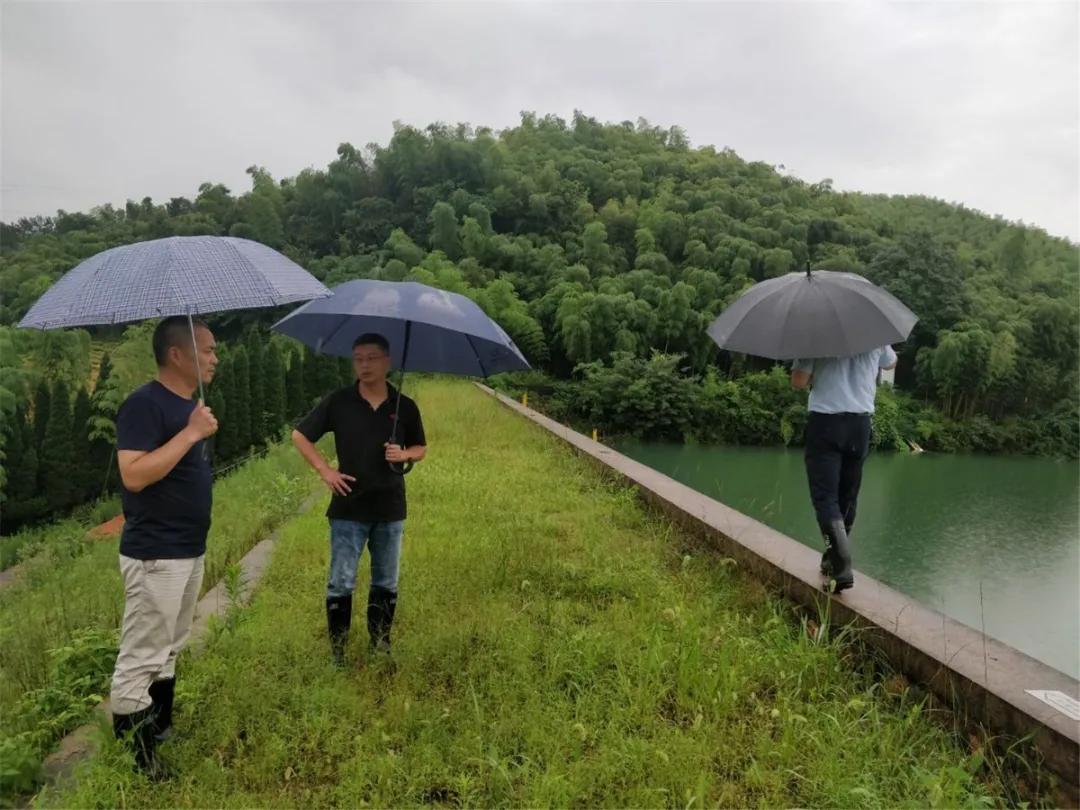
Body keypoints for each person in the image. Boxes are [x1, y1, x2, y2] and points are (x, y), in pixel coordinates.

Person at [109, 316, 218, 775]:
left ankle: (160, 726)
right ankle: (139, 761)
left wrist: (194, 425)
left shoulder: (190, 404)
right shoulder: (144, 405)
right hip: (156, 552)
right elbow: (133, 475)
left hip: (187, 547)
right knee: (144, 653)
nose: (215, 358)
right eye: (208, 349)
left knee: (171, 644)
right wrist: (191, 433)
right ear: (177, 354)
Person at [291, 333, 426, 666]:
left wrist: (404, 452)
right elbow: (300, 435)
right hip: (348, 506)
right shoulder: (339, 401)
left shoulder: (404, 406)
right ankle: (338, 651)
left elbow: (421, 448)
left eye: (371, 357)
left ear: (387, 362)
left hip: (390, 507)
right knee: (341, 580)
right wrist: (325, 471)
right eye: (358, 358)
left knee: (386, 580)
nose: (364, 365)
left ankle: (380, 643)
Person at [791, 346, 897, 592]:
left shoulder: (815, 336)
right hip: (860, 425)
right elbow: (891, 363)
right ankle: (832, 559)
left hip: (826, 421)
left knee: (825, 497)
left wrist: (818, 374)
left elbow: (798, 381)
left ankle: (841, 566)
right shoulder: (875, 334)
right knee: (847, 495)